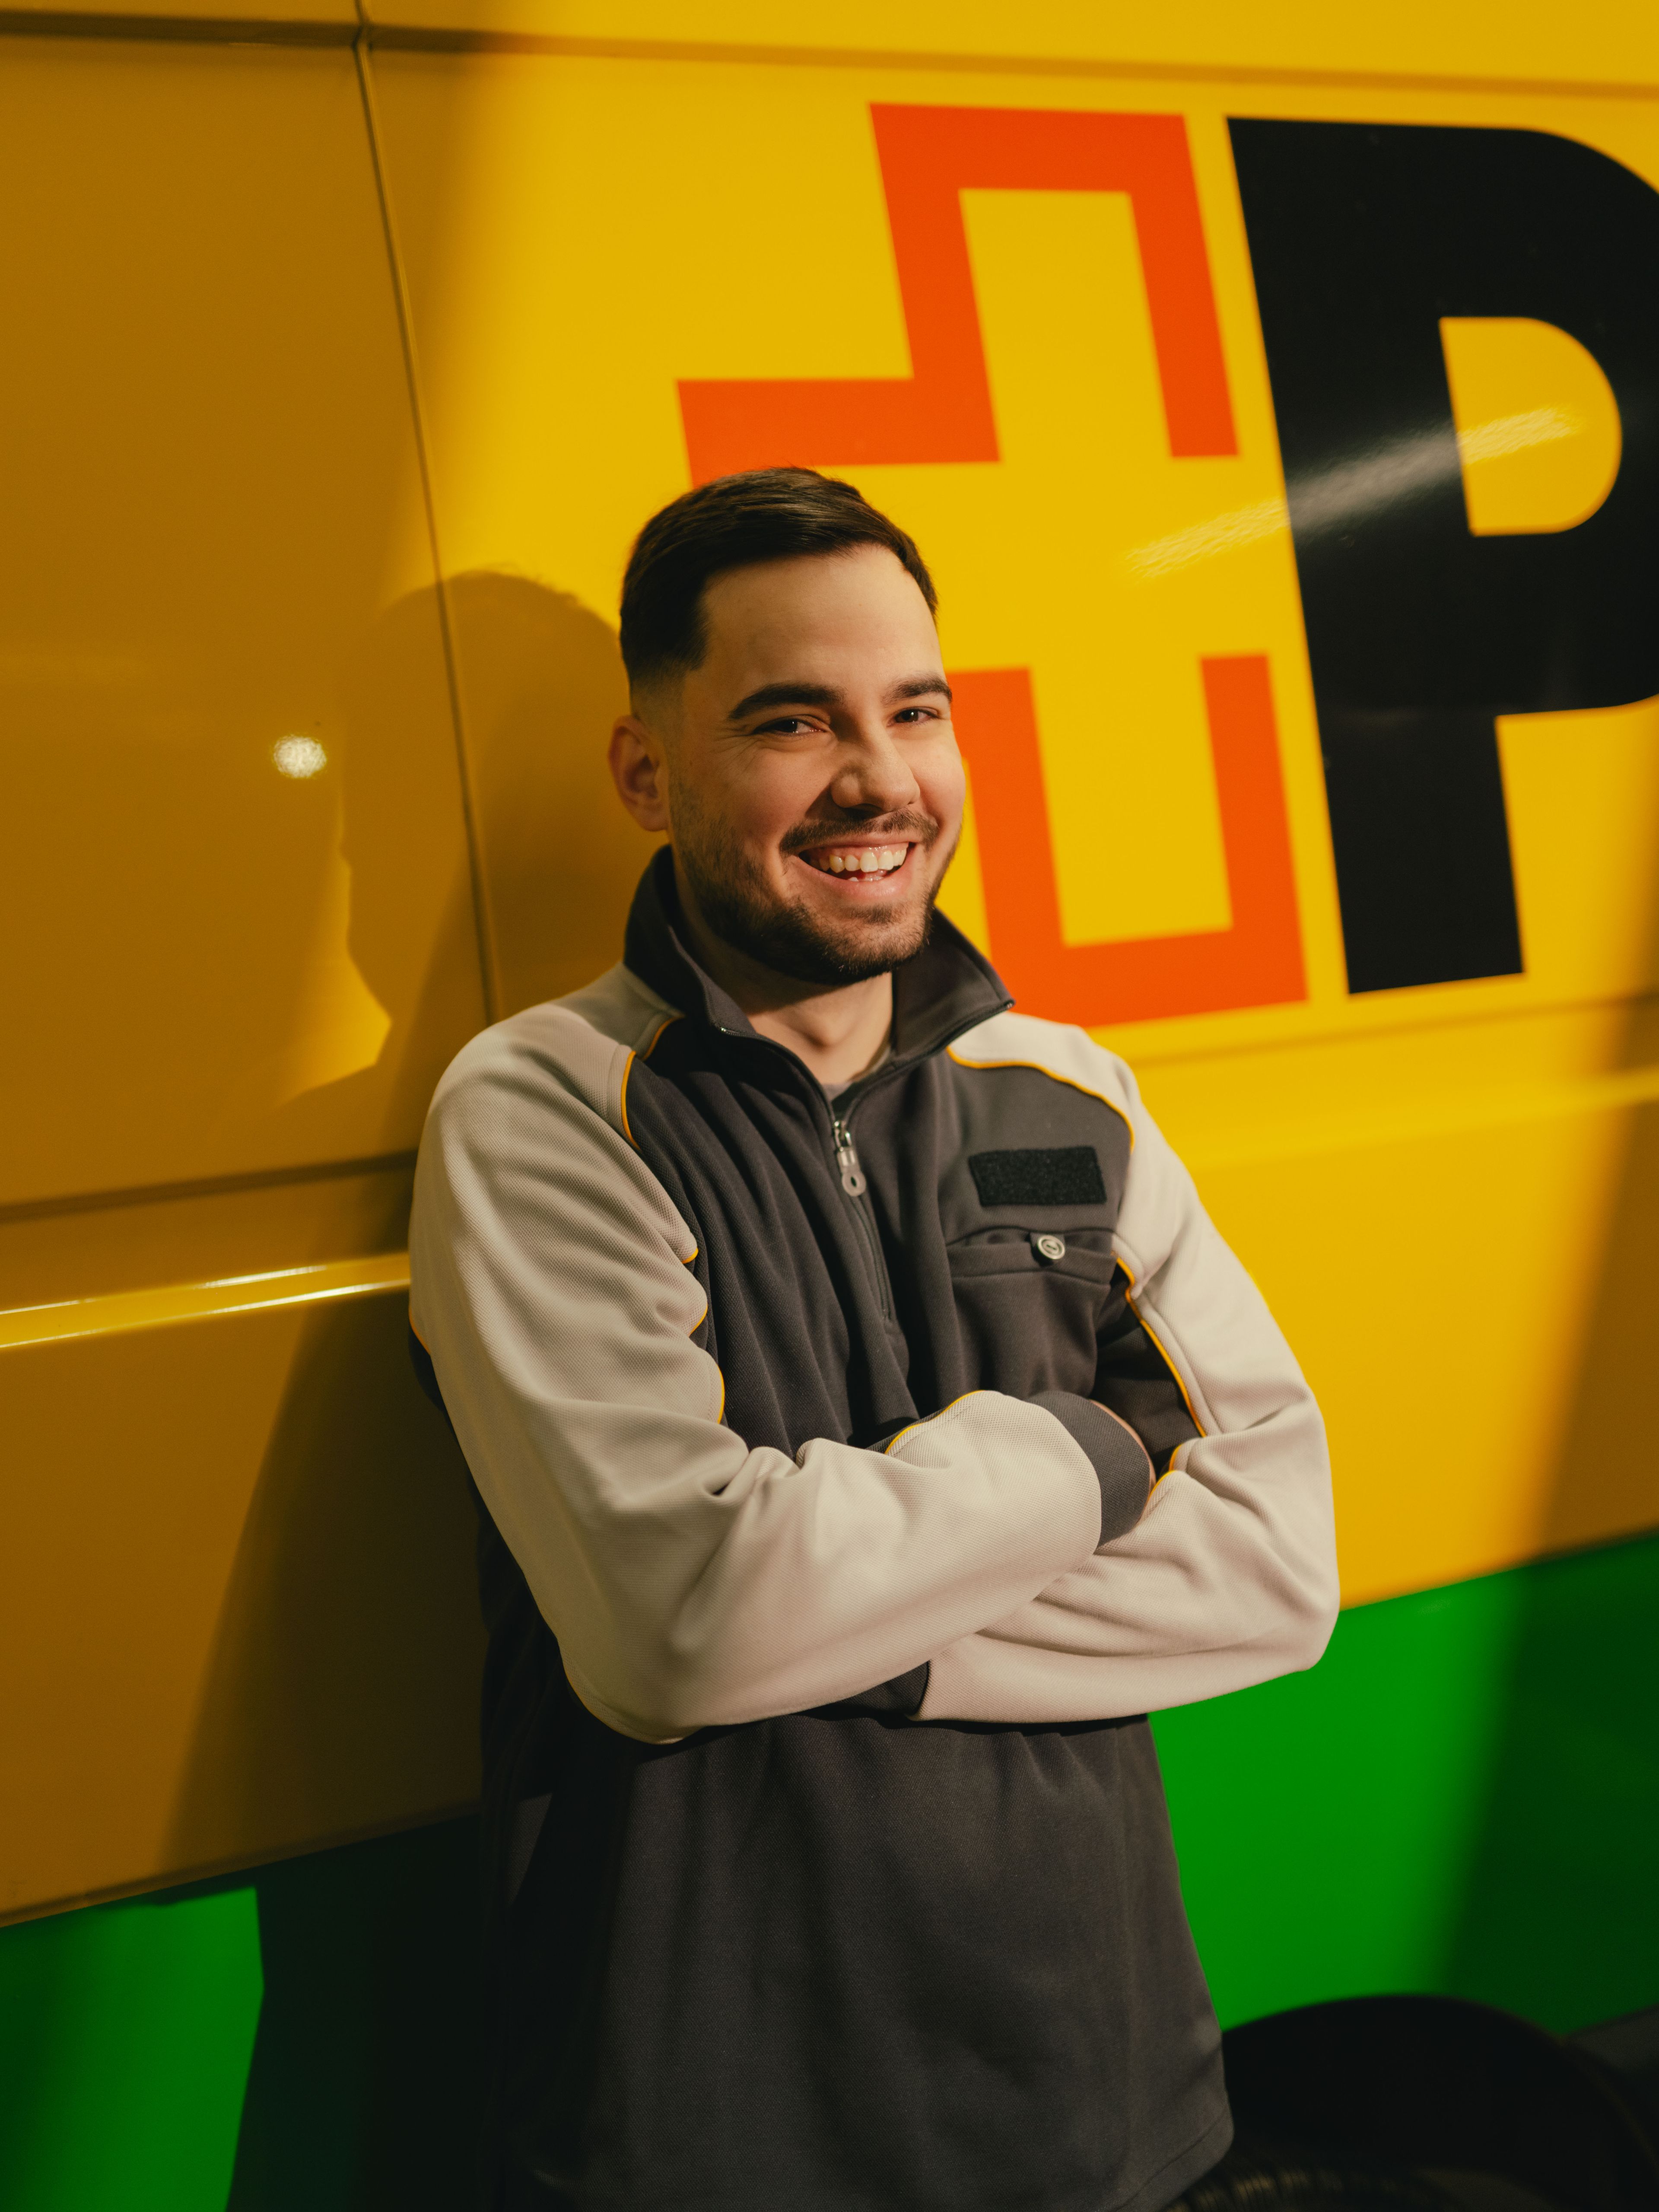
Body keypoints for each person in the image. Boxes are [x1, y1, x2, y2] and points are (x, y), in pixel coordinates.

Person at [409, 467, 1339, 2212]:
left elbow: (1281, 1558)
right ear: (646, 770)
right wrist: (1086, 1452)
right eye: (792, 720)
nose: (879, 781)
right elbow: (683, 1623)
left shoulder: (1060, 1095)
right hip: (712, 2125)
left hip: (1104, 2095)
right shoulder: (544, 1112)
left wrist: (852, 1625)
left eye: (916, 711)